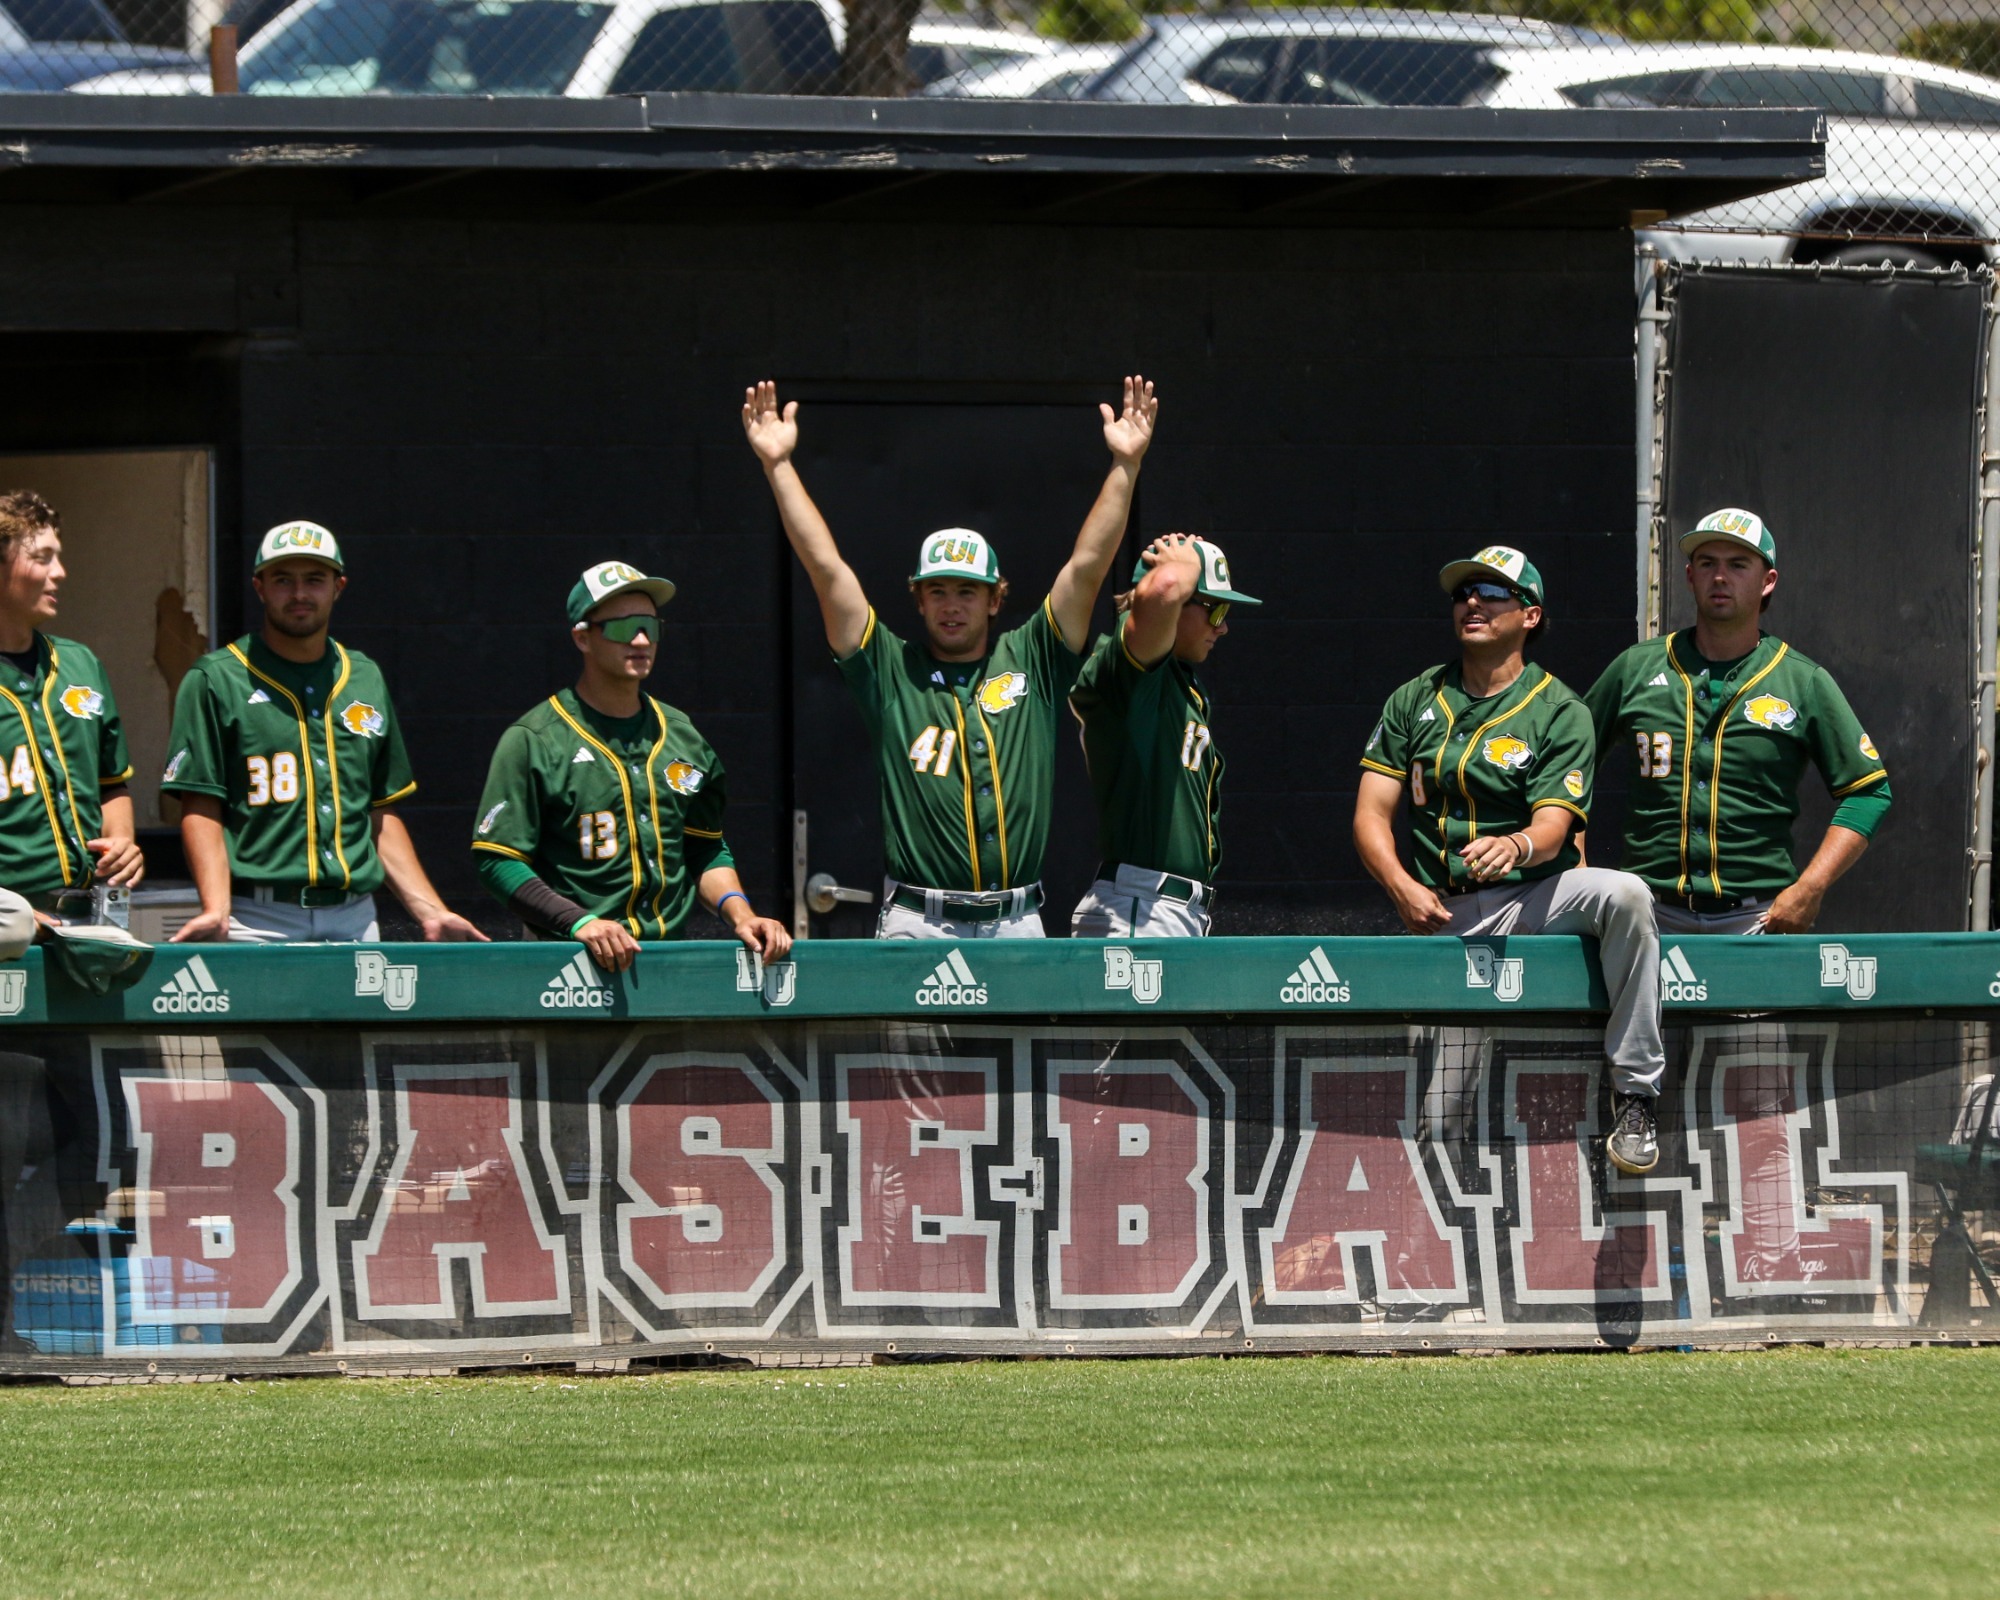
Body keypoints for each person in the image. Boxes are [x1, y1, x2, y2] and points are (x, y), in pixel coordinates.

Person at [745, 375, 1157, 938]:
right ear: (918, 599)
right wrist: (779, 467)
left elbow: (1087, 566)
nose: (952, 606)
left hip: (1018, 920)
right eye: (937, 591)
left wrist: (1124, 467)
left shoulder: (1033, 655)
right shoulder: (889, 670)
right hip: (918, 921)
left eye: (967, 591)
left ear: (994, 599)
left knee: (1024, 1033)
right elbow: (827, 570)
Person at [1352, 545, 1666, 1176]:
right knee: (1438, 1123)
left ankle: (1635, 1092)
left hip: (1533, 900)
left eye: (1494, 594)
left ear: (1530, 615)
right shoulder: (1415, 699)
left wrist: (1519, 844)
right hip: (1443, 914)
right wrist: (1399, 887)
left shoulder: (1560, 708)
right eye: (1464, 592)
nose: (1473, 602)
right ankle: (1444, 1245)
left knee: (1627, 894)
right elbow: (1369, 816)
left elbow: (1554, 826)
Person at [162, 520, 483, 944]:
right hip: (258, 917)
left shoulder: (363, 676)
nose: (298, 594)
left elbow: (379, 811)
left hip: (355, 916)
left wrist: (431, 910)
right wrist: (216, 908)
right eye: (283, 580)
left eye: (314, 579)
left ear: (338, 586)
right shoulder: (215, 679)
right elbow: (201, 804)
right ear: (259, 587)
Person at [471, 560, 791, 973]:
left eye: (650, 627)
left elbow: (703, 846)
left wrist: (742, 915)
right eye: (623, 628)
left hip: (666, 960)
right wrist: (579, 922)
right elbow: (496, 859)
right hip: (566, 967)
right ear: (582, 638)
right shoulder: (535, 738)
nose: (641, 639)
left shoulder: (683, 736)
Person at [1584, 508, 1891, 935]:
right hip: (1648, 914)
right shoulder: (1636, 667)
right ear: (1690, 576)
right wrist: (1578, 865)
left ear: (1768, 581)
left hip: (1757, 917)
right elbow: (1566, 764)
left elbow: (1870, 790)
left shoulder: (1802, 680)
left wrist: (1810, 887)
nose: (1721, 577)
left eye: (1738, 564)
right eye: (1708, 563)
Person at [1069, 533, 1257, 937]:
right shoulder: (1128, 669)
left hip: (1166, 909)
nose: (1222, 628)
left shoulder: (1179, 682)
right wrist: (1181, 570)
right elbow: (1165, 590)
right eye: (1215, 609)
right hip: (1138, 908)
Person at [0, 490, 143, 935]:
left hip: (89, 916)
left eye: (58, 557)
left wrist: (123, 844)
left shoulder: (80, 664)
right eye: (42, 558)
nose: (59, 573)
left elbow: (111, 782)